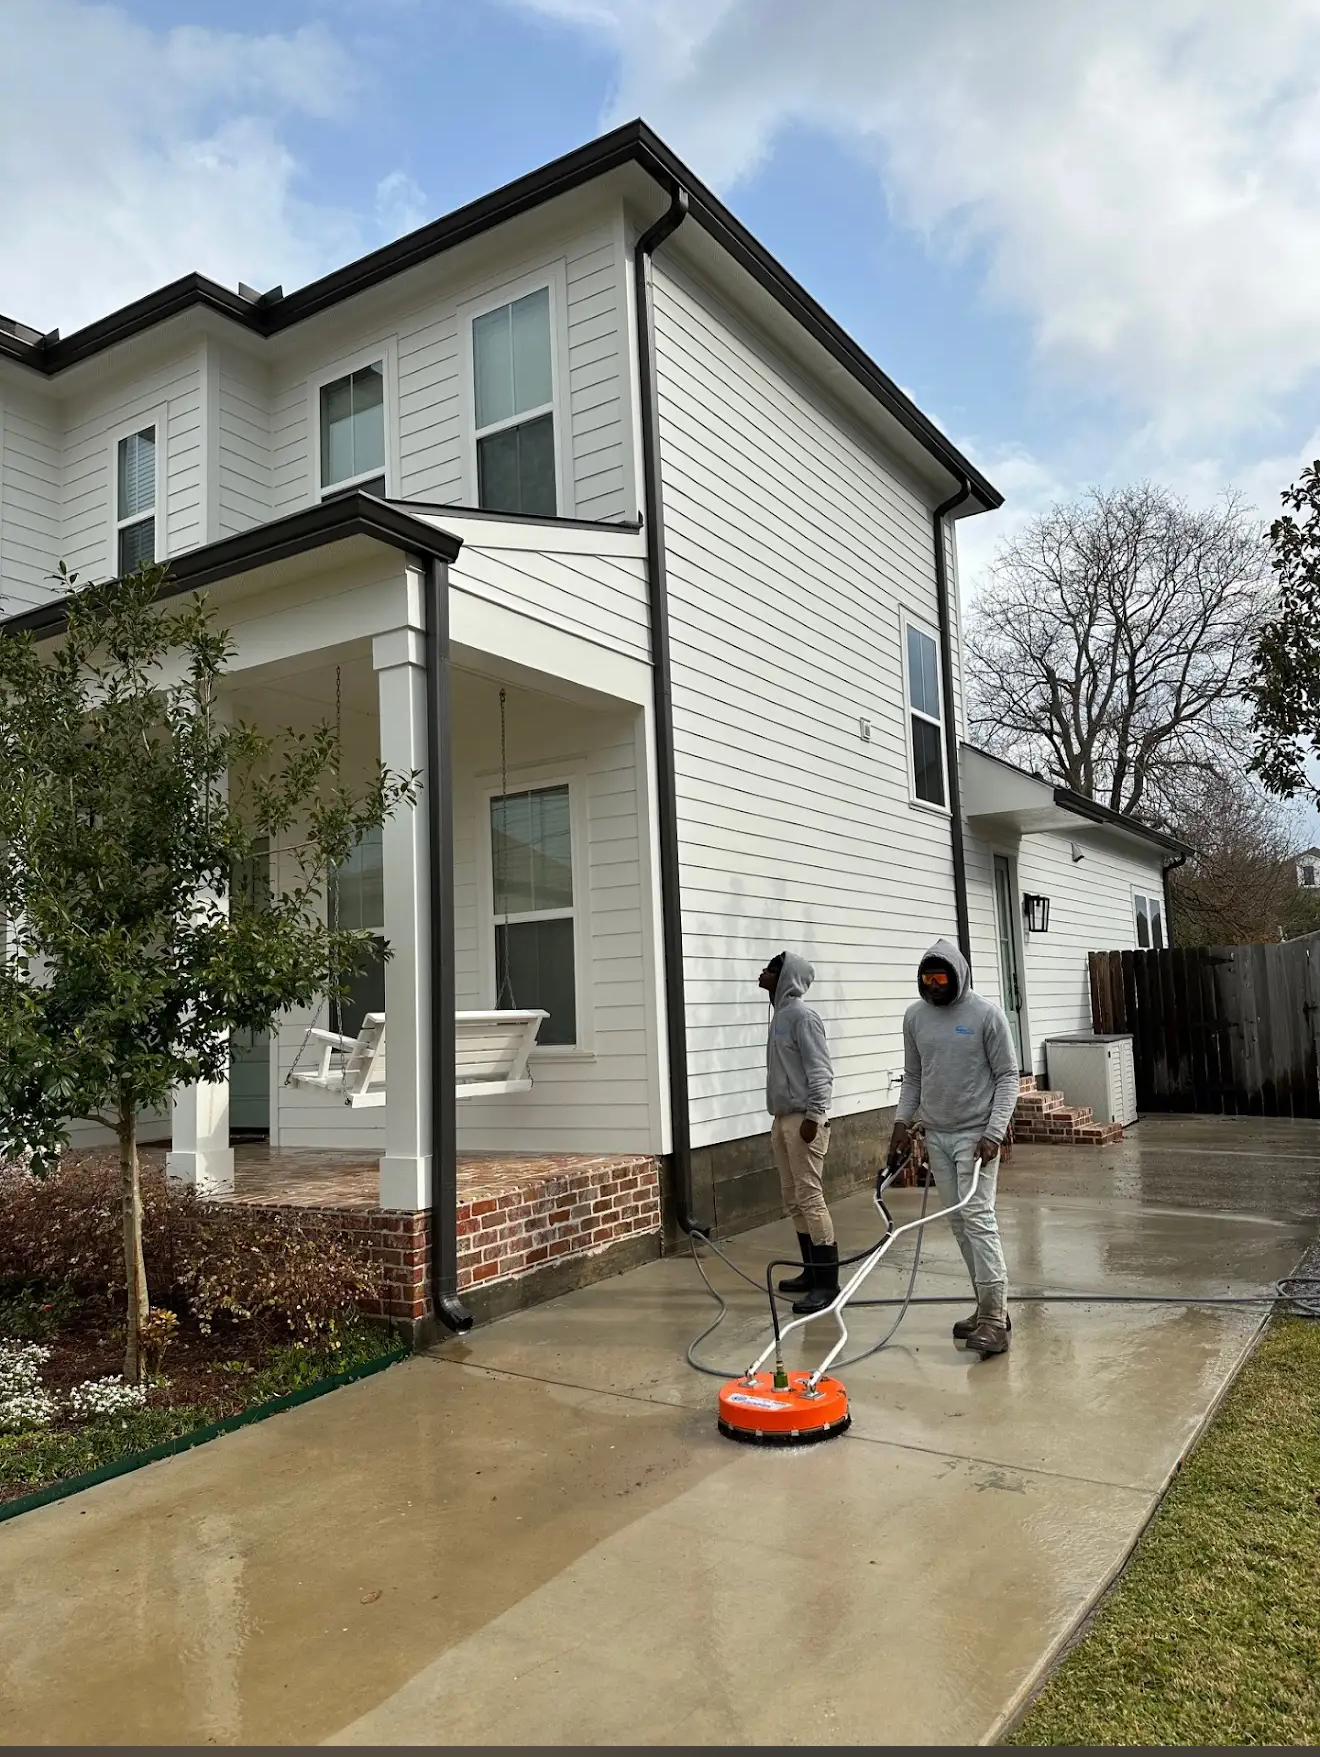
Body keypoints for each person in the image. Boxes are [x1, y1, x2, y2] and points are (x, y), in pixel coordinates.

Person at [887, 937, 1019, 1356]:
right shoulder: (915, 1017)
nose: (934, 984)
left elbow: (1008, 1076)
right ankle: (987, 1306)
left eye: (941, 976)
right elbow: (914, 1076)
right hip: (937, 1136)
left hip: (976, 1136)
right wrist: (901, 1124)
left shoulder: (986, 1015)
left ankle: (995, 1321)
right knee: (960, 1224)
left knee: (978, 1219)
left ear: (957, 975)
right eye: (927, 978)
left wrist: (994, 1132)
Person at [760, 951, 837, 1315]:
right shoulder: (779, 1017)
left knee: (810, 1196)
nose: (763, 974)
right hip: (782, 1119)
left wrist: (815, 1115)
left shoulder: (803, 1018)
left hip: (803, 1120)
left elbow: (821, 1070)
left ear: (786, 976)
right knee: (792, 1197)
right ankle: (810, 1272)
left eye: (771, 970)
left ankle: (827, 1282)